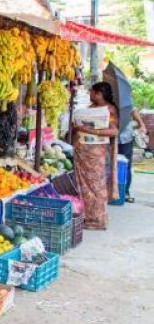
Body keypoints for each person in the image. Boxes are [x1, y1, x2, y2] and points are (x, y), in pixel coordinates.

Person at [72, 82, 119, 230]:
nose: (90, 95)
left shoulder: (109, 111)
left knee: (96, 187)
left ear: (99, 93)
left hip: (95, 155)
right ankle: (86, 217)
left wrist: (89, 130)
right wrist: (77, 127)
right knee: (84, 187)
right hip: (82, 153)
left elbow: (113, 131)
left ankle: (97, 220)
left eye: (92, 92)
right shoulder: (90, 109)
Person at [118, 107, 147, 202]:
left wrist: (141, 124)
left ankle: (125, 192)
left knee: (125, 165)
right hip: (109, 137)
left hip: (125, 137)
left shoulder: (124, 100)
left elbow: (133, 110)